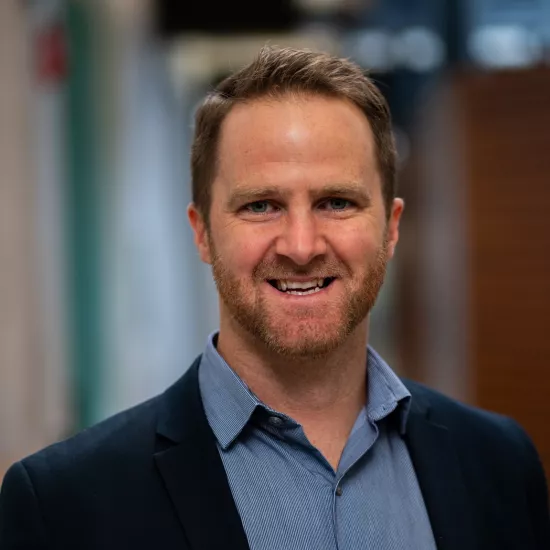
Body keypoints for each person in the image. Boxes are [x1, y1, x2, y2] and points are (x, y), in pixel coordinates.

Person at [1, 46, 549, 550]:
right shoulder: (65, 507)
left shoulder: (498, 465)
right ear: (201, 233)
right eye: (261, 205)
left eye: (336, 202)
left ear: (391, 227)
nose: (302, 246)